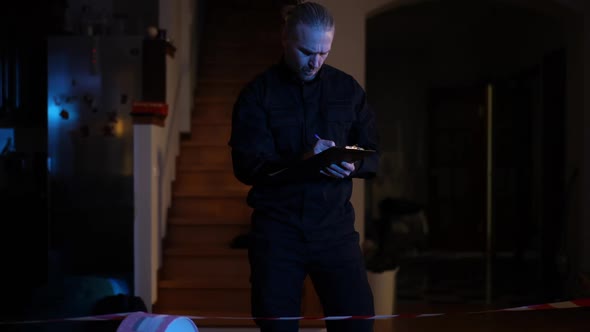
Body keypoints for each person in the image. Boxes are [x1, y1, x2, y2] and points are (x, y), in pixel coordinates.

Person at [228, 2, 380, 331]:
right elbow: (246, 167)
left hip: (335, 231)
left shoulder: (347, 89)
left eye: (324, 52)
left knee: (358, 324)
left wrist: (352, 164)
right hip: (278, 233)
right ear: (285, 37)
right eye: (307, 51)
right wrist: (305, 160)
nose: (316, 62)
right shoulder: (257, 95)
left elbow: (374, 155)